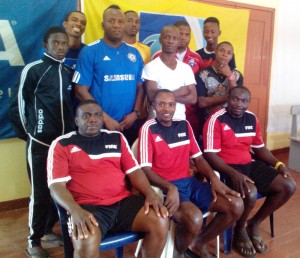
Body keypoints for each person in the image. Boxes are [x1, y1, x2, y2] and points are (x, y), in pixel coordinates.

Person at [47, 100, 169, 258]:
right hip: (88, 208)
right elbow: (56, 186)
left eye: (98, 115)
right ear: (76, 120)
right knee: (86, 241)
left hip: (122, 203)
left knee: (161, 219)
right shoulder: (62, 144)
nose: (93, 119)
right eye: (86, 116)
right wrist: (74, 210)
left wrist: (150, 194)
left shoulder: (116, 138)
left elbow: (135, 172)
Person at [138, 89, 243, 258]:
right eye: (162, 104)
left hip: (190, 183)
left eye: (171, 104)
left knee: (236, 204)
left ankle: (197, 243)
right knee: (194, 218)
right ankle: (177, 253)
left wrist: (214, 179)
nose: (167, 109)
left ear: (176, 106)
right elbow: (144, 169)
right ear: (154, 105)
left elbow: (199, 159)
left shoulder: (184, 125)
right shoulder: (148, 128)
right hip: (164, 188)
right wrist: (170, 187)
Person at [203, 86, 296, 257]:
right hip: (225, 168)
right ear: (227, 99)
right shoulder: (216, 119)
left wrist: (278, 164)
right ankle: (239, 229)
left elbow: (259, 149)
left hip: (249, 164)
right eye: (235, 99)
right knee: (250, 192)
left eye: (244, 101)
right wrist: (233, 173)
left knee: (288, 185)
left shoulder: (251, 118)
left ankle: (253, 224)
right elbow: (209, 154)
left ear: (248, 102)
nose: (239, 104)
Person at [9, 26, 75, 257]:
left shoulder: (68, 71)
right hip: (41, 144)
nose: (60, 47)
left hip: (64, 146)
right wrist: (29, 133)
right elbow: (17, 104)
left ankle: (47, 231)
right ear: (45, 46)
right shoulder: (34, 70)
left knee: (62, 189)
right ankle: (33, 242)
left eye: (63, 43)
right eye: (55, 43)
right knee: (40, 193)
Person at [73, 5, 144, 146]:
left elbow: (141, 88)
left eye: (120, 21)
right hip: (98, 126)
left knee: (127, 167)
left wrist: (135, 113)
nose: (116, 25)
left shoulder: (134, 53)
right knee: (100, 167)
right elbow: (80, 91)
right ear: (103, 25)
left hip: (129, 125)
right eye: (111, 21)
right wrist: (104, 118)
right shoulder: (90, 51)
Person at [142, 25, 197, 120]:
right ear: (160, 40)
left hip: (180, 121)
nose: (171, 41)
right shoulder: (151, 67)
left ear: (179, 41)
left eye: (175, 38)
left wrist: (162, 98)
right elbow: (152, 97)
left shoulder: (186, 68)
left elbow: (193, 99)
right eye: (167, 37)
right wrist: (180, 92)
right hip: (156, 121)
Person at [196, 41, 243, 148]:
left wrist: (230, 76)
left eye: (229, 52)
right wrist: (229, 97)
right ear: (215, 52)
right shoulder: (202, 74)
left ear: (231, 56)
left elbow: (239, 98)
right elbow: (201, 102)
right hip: (208, 121)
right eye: (221, 50)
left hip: (231, 122)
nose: (225, 54)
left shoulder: (237, 75)